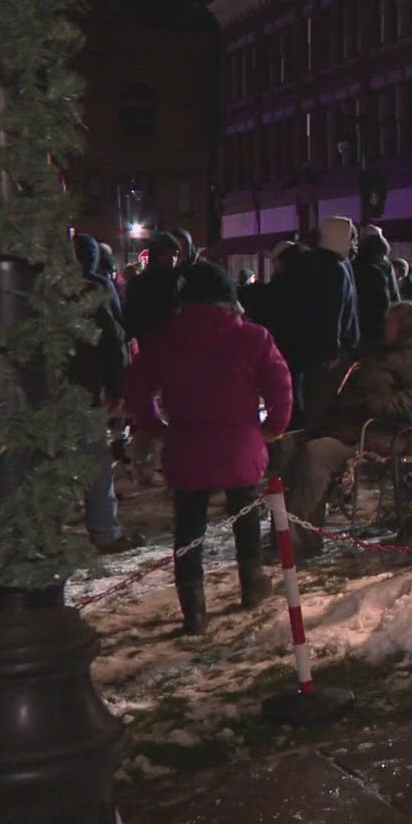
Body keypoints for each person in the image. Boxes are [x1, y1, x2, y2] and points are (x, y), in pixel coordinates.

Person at [123, 262, 292, 635]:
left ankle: (194, 610)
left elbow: (137, 390)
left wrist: (155, 428)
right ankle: (252, 585)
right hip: (240, 442)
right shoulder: (253, 337)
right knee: (246, 514)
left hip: (188, 444)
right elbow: (280, 385)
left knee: (188, 528)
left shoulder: (163, 339)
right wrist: (273, 428)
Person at [274, 301, 412, 559]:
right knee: (286, 445)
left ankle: (302, 544)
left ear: (406, 326)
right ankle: (282, 536)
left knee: (317, 454)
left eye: (390, 322)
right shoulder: (384, 353)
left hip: (384, 435)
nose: (384, 327)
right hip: (352, 427)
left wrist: (369, 405)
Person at [70, 234, 140, 553]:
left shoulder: (40, 287)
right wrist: (115, 386)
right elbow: (112, 340)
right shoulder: (93, 289)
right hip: (84, 387)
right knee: (95, 458)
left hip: (45, 387)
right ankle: (104, 531)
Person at [288, 217, 361, 427]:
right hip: (329, 352)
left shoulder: (312, 263)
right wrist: (332, 350)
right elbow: (332, 311)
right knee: (323, 405)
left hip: (309, 349)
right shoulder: (335, 268)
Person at [123, 232, 182, 347]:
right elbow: (131, 318)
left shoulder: (180, 280)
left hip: (176, 345)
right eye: (166, 254)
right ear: (156, 255)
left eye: (175, 254)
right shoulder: (138, 283)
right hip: (150, 343)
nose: (172, 259)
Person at [352, 230, 401, 350]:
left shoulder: (356, 265)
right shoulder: (383, 267)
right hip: (379, 321)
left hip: (363, 321)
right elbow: (391, 294)